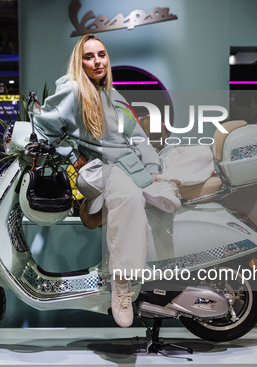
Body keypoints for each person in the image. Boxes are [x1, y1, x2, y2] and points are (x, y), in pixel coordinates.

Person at [32, 34, 180, 327]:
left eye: (101, 54)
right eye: (89, 56)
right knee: (128, 197)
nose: (97, 61)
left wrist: (151, 166)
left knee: (174, 184)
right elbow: (42, 127)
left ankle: (163, 277)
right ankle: (122, 287)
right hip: (99, 171)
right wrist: (73, 156)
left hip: (130, 168)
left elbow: (137, 137)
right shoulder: (73, 91)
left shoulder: (115, 96)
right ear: (80, 61)